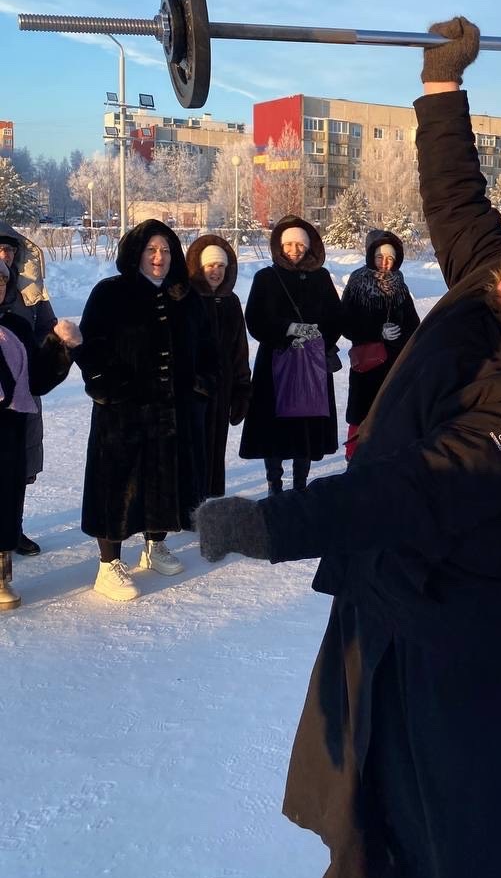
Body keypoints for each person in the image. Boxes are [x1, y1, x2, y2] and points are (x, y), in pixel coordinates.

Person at [193, 18, 501, 878]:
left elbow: (418, 487)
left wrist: (271, 523)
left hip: (462, 614)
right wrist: (442, 84)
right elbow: (458, 198)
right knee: (403, 772)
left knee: (479, 793)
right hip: (400, 582)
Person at [72, 220, 219, 601]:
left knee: (165, 477)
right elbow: (90, 348)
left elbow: (207, 347)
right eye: (151, 250)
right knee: (116, 485)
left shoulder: (185, 296)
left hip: (174, 411)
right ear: (136, 253)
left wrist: (201, 385)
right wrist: (108, 388)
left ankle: (155, 545)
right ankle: (108, 564)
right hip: (124, 412)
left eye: (166, 250)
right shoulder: (110, 293)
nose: (159, 257)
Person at [0, 260, 81, 611]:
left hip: (9, 430)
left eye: (1, 280)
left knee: (5, 499)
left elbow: (37, 379)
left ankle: (0, 577)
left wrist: (59, 346)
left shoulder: (17, 325)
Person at [239, 217, 342, 493]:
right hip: (275, 362)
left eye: (300, 244)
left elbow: (336, 316)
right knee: (274, 427)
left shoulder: (321, 277)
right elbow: (255, 319)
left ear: (309, 246)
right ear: (279, 246)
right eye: (288, 244)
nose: (294, 250)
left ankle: (300, 486)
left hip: (311, 363)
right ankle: (274, 484)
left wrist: (318, 335)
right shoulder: (266, 278)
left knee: (306, 425)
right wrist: (288, 329)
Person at [0, 222, 59, 555]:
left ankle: (15, 528)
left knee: (18, 465)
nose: (5, 255)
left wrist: (39, 351)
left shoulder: (29, 291)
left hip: (22, 392)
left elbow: (48, 327)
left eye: (9, 249)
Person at [340, 229, 420, 460]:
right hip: (367, 363)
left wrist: (400, 336)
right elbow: (344, 324)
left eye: (390, 258)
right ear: (371, 256)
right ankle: (353, 459)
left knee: (388, 413)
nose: (384, 262)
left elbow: (413, 325)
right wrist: (377, 332)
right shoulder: (357, 281)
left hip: (394, 364)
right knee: (361, 413)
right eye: (379, 257)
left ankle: (382, 459)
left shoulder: (399, 285)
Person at [186, 235, 252, 497]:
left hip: (222, 389)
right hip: (192, 389)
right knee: (192, 449)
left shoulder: (231, 302)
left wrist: (242, 390)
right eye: (210, 266)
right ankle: (189, 502)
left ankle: (209, 501)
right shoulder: (187, 300)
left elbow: (240, 351)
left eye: (221, 266)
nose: (216, 272)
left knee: (215, 447)